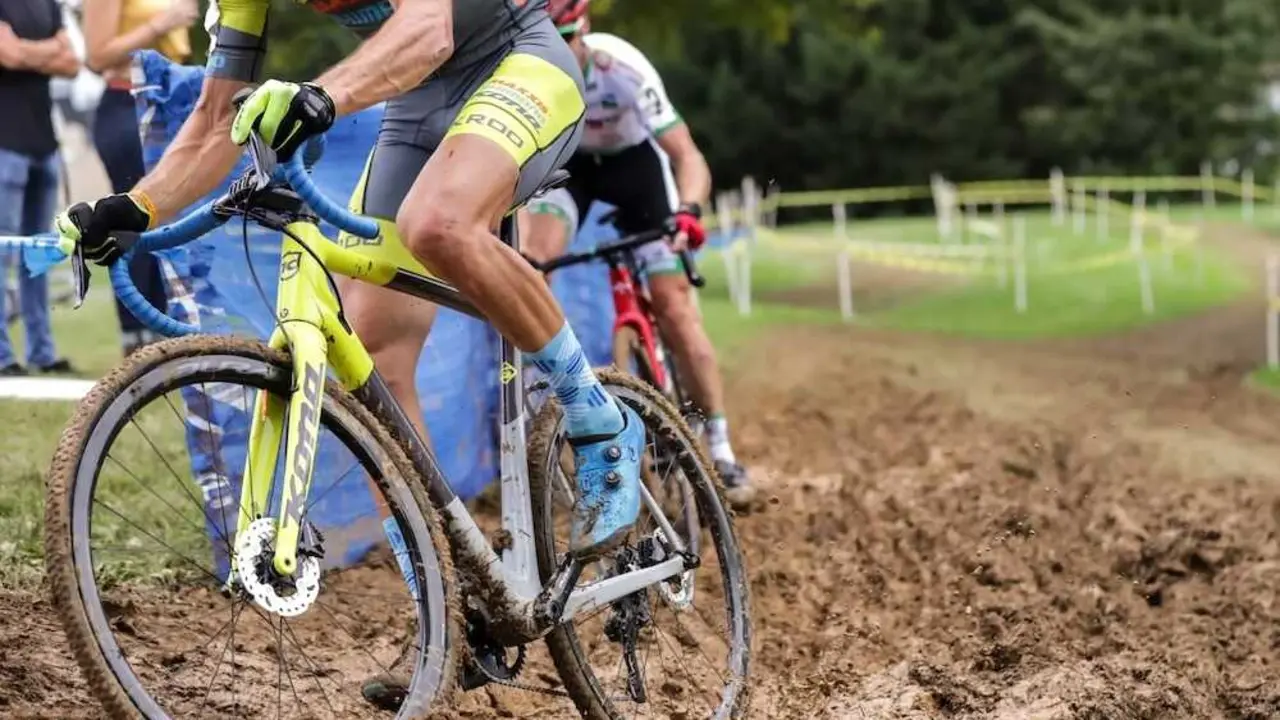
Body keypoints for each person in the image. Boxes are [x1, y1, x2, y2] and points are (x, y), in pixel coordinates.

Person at [53, 0, 646, 704]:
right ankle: (447, 614)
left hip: (517, 63)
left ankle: (600, 421)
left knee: (438, 223)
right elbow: (216, 118)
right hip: (416, 107)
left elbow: (430, 29)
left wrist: (319, 95)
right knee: (375, 363)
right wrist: (137, 206)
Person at [525, 0, 755, 508]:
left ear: (585, 30)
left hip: (636, 169)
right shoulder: (530, 72)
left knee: (674, 307)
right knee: (532, 261)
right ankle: (539, 395)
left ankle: (721, 447)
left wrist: (689, 211)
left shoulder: (622, 68)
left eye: (567, 39)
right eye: (546, 40)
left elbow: (687, 154)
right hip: (572, 169)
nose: (557, 52)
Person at [84, 0, 197, 355]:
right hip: (127, 102)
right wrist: (161, 24)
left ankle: (170, 329)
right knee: (135, 216)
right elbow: (97, 56)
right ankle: (136, 335)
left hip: (171, 100)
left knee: (172, 222)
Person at [0, 0, 79, 376]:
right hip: (4, 144)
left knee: (40, 255)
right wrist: (49, 50)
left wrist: (25, 51)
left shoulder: (48, 3)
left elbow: (72, 62)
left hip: (44, 143)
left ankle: (42, 352)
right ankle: (3, 356)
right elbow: (8, 54)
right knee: (3, 253)